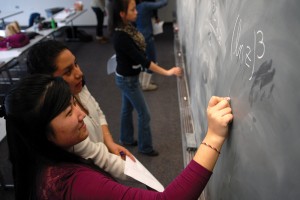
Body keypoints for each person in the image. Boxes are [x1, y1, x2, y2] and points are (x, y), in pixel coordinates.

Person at [2, 73, 233, 199]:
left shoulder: (35, 163)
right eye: (68, 112)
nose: (82, 114)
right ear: (43, 134)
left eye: (74, 103)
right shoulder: (71, 183)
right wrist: (213, 136)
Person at [26, 40, 134, 180]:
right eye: (68, 71)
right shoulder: (62, 124)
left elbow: (97, 111)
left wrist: (109, 143)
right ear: (48, 81)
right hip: (92, 176)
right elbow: (101, 159)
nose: (80, 73)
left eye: (75, 64)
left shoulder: (77, 86)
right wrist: (144, 176)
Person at [112, 0, 182, 156]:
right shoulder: (121, 36)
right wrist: (167, 72)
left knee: (126, 109)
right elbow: (144, 61)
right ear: (122, 14)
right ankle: (145, 147)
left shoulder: (126, 28)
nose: (137, 12)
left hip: (126, 77)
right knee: (145, 114)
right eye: (132, 10)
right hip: (127, 80)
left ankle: (126, 138)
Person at [135, 0, 168, 91]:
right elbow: (162, 3)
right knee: (152, 60)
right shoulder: (144, 5)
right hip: (147, 37)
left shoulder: (135, 6)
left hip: (139, 36)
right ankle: (146, 84)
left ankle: (143, 82)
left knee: (143, 59)